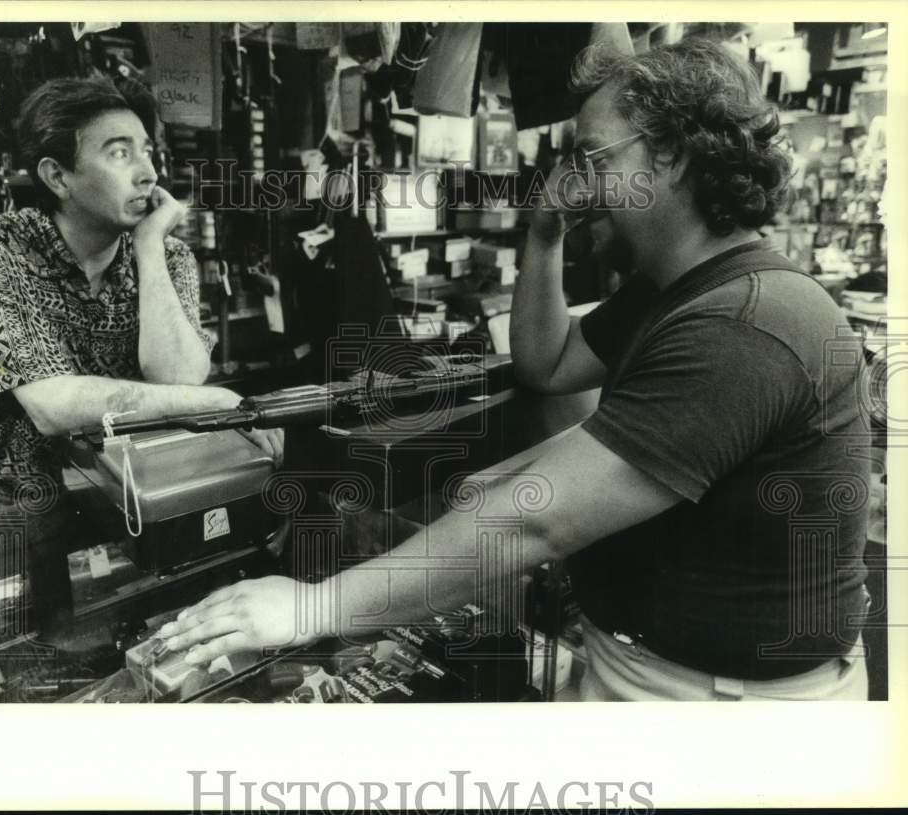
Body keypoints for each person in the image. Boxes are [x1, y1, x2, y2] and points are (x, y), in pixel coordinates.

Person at [158, 39, 872, 701]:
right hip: (656, 667)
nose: (580, 183)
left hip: (720, 703)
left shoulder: (744, 322)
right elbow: (548, 361)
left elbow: (536, 524)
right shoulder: (680, 291)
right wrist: (545, 229)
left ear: (673, 157)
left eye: (595, 157)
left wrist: (313, 605)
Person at [0, 76, 281, 625]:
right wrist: (210, 402)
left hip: (140, 492)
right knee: (49, 671)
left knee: (165, 655)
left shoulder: (167, 257)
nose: (148, 171)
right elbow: (53, 405)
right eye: (119, 153)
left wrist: (148, 249)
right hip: (28, 502)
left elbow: (178, 378)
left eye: (146, 151)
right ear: (57, 176)